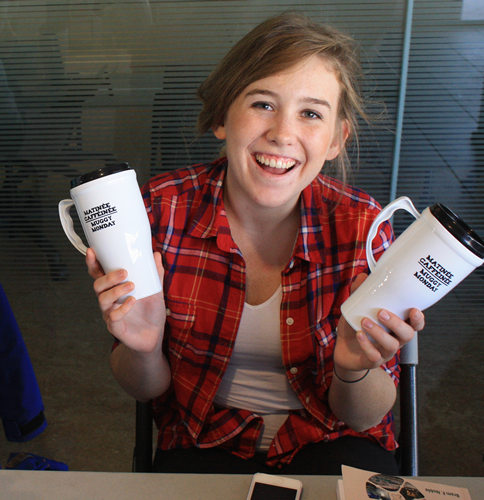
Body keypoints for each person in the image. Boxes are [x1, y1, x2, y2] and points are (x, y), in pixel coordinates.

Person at [86, 11, 425, 475]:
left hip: (330, 435)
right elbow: (146, 391)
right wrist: (142, 348)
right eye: (262, 103)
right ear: (223, 116)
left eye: (310, 113)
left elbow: (364, 416)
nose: (283, 133)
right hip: (203, 438)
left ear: (335, 140)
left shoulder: (363, 226)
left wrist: (352, 368)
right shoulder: (156, 214)